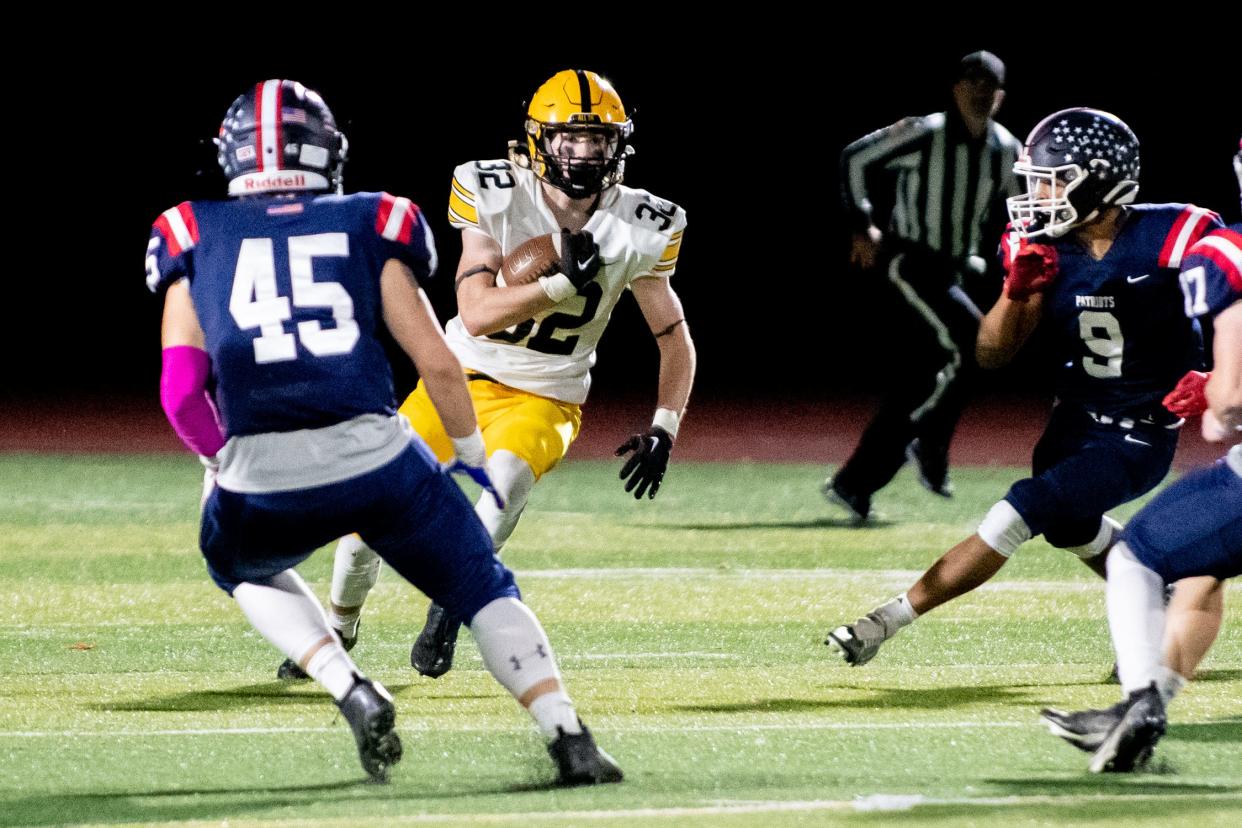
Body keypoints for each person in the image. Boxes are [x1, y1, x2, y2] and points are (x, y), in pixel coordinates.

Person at [149, 79, 622, 786]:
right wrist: (465, 457)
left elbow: (181, 393)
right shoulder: (375, 217)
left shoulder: (190, 230)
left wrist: (225, 463)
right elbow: (437, 360)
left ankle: (348, 683)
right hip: (377, 460)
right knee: (482, 586)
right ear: (326, 150)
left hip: (263, 472)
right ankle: (568, 734)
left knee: (236, 564)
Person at [278, 69, 695, 682]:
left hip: (548, 395)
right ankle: (338, 626)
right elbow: (474, 314)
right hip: (463, 377)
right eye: (570, 139)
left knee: (503, 486)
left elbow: (672, 336)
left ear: (619, 145)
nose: (585, 153)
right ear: (535, 142)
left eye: (598, 140)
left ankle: (451, 598)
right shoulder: (493, 190)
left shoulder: (644, 223)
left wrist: (665, 426)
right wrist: (558, 283)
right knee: (372, 518)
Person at [825, 108, 1224, 670]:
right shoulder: (1045, 243)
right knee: (1070, 526)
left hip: (1138, 433)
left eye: (1054, 179)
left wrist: (1220, 374)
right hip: (1072, 421)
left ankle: (885, 621)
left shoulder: (1176, 233)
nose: (1039, 193)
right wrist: (1017, 290)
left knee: (1019, 512)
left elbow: (1234, 299)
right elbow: (990, 352)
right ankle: (1156, 596)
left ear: (1101, 180)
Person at [1040, 140, 1241, 773]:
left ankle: (1138, 705)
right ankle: (1146, 705)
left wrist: (1212, 397)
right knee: (1202, 566)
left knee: (1137, 556)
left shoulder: (1226, 252)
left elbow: (1229, 405)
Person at [825, 50, 1022, 521]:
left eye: (987, 84)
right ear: (954, 88)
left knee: (918, 382)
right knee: (973, 345)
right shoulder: (925, 133)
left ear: (1000, 96)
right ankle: (929, 442)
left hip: (954, 270)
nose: (977, 90)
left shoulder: (1006, 149)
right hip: (909, 263)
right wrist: (861, 224)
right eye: (969, 80)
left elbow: (1021, 214)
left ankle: (855, 483)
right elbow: (855, 157)